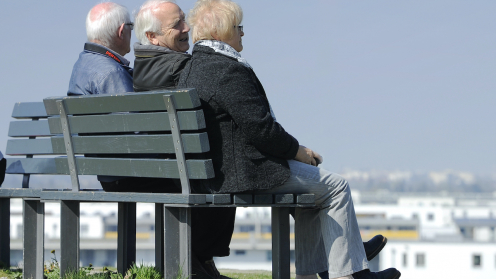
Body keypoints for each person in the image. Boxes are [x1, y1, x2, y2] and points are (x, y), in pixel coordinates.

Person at [178, 1, 401, 279]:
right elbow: (262, 130)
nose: (243, 33)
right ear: (221, 31)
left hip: (214, 173)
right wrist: (299, 151)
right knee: (337, 187)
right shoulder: (226, 70)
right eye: (239, 27)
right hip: (243, 174)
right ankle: (350, 274)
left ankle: (320, 270)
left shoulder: (191, 67)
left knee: (311, 193)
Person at [132, 1, 235, 278]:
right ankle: (197, 260)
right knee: (231, 173)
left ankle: (198, 261)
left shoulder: (139, 68)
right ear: (152, 37)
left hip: (159, 167)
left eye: (183, 20)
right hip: (181, 170)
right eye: (176, 24)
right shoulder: (182, 66)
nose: (186, 28)